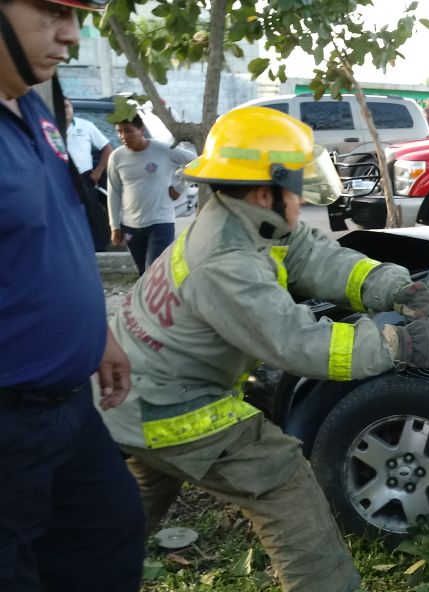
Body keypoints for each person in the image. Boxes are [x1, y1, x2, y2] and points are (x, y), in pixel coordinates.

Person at [99, 105, 429, 592]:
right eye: (295, 185)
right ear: (264, 190)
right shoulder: (226, 261)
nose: (301, 196)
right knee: (280, 476)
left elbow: (313, 255)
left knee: (132, 506)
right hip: (165, 401)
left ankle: (80, 573)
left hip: (134, 394)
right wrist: (399, 343)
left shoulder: (246, 220)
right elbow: (298, 343)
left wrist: (393, 286)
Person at [0, 0, 144, 589]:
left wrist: (95, 331)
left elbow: (52, 228)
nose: (71, 34)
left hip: (68, 408)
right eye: (52, 10)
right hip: (11, 422)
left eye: (77, 13)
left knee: (107, 535)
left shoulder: (33, 105)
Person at [107, 113, 195, 274]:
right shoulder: (116, 157)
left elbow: (197, 162)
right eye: (119, 132)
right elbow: (114, 192)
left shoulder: (163, 150)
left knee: (154, 271)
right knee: (143, 274)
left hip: (160, 222)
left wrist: (179, 187)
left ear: (141, 130)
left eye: (127, 130)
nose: (123, 136)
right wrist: (115, 226)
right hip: (131, 225)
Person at [64, 97, 112, 199]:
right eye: (61, 107)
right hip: (61, 178)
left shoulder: (86, 126)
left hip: (85, 177)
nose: (65, 110)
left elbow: (107, 147)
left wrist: (98, 172)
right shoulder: (50, 128)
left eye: (67, 106)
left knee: (90, 207)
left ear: (72, 108)